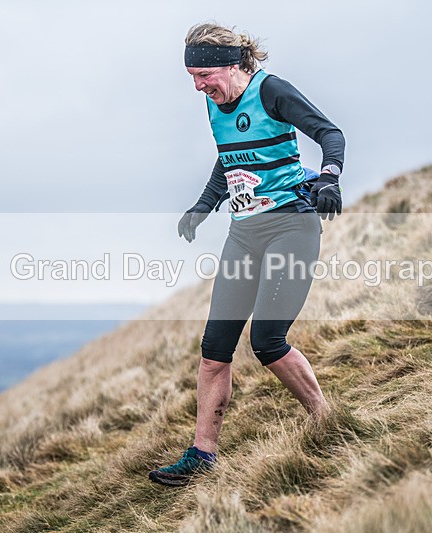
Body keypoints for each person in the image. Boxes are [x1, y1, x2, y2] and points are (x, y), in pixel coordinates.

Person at [148, 22, 345, 487]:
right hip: (244, 235)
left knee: (268, 341)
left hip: (291, 227)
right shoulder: (213, 104)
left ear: (233, 64)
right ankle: (202, 455)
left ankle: (327, 417)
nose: (198, 85)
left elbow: (328, 132)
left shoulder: (271, 91)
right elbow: (229, 155)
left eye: (204, 74)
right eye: (192, 77)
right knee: (214, 353)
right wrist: (203, 204)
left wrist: (331, 177)